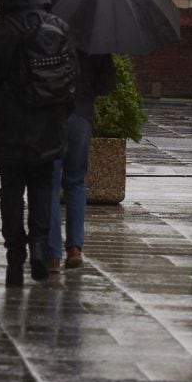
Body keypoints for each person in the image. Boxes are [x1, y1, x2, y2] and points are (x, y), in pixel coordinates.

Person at [0, 0, 76, 287]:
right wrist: (60, 113)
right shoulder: (58, 28)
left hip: (8, 126)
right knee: (44, 188)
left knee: (11, 190)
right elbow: (73, 79)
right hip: (48, 125)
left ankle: (15, 254)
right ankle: (38, 244)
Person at [48, 51, 116, 272]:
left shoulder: (48, 34)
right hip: (81, 113)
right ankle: (75, 248)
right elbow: (106, 83)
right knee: (76, 182)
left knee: (50, 184)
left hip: (52, 114)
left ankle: (53, 254)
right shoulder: (96, 42)